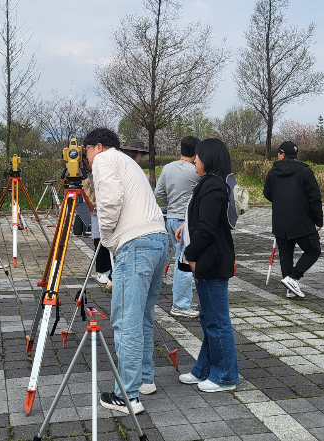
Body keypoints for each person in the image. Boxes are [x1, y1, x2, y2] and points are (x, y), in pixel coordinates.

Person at [82, 128, 168, 415]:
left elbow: (110, 201)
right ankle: (144, 379)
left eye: (86, 152)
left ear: (96, 146)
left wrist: (106, 237)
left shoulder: (104, 160)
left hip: (136, 244)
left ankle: (127, 396)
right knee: (142, 315)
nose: (85, 159)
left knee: (126, 320)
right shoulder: (129, 162)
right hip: (158, 238)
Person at [175, 138, 239, 393]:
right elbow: (199, 219)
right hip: (206, 259)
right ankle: (204, 368)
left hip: (211, 261)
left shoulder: (213, 186)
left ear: (208, 158)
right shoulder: (208, 183)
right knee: (208, 318)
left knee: (217, 321)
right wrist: (184, 228)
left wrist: (191, 254)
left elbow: (207, 229)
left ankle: (226, 376)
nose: (194, 162)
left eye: (198, 158)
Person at [263, 141, 323, 298]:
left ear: (282, 154)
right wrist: (318, 220)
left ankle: (290, 286)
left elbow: (267, 193)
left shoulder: (272, 172)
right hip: (302, 220)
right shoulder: (305, 172)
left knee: (286, 254)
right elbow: (314, 197)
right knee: (313, 250)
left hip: (280, 220)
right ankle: (293, 278)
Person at [154, 136, 201, 318]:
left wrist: (172, 202)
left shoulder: (167, 168)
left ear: (180, 149)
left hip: (171, 219)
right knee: (186, 263)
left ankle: (183, 300)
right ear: (197, 152)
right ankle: (181, 304)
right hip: (187, 221)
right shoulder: (196, 171)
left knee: (180, 259)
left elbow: (159, 193)